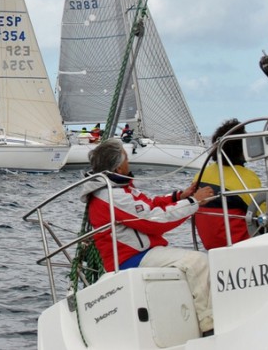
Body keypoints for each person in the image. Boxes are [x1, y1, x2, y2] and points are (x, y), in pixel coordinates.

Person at [83, 139, 215, 336]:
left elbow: (148, 204)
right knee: (198, 262)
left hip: (140, 252)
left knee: (194, 261)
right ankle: (210, 327)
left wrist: (179, 197)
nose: (129, 161)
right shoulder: (112, 196)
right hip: (130, 257)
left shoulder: (118, 188)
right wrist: (194, 202)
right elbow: (154, 221)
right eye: (126, 158)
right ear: (119, 166)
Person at [194, 119, 261, 250]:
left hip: (211, 246)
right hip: (241, 246)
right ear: (242, 148)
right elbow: (262, 213)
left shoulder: (200, 175)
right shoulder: (247, 179)